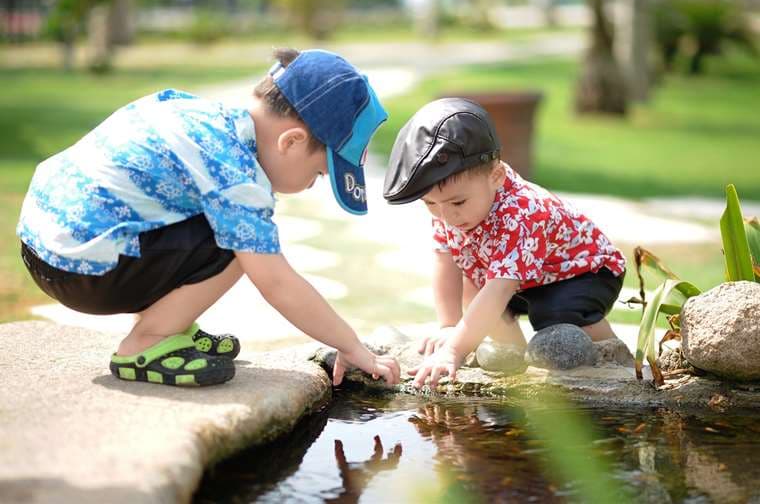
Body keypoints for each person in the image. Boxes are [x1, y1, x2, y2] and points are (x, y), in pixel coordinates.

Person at [17, 48, 400, 388]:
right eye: (318, 174)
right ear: (292, 142)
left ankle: (170, 326)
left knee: (227, 226)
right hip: (81, 270)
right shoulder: (234, 172)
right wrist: (350, 345)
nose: (311, 186)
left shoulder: (203, 116)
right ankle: (147, 343)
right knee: (243, 245)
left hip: (45, 245)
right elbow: (277, 283)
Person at [382, 98, 626, 389]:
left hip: (584, 273)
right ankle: (514, 362)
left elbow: (500, 289)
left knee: (553, 315)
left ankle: (612, 357)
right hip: (524, 278)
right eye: (430, 204)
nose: (446, 215)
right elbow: (445, 260)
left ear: (496, 176)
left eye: (457, 202)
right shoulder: (451, 207)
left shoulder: (523, 212)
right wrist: (449, 326)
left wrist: (453, 351)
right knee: (474, 290)